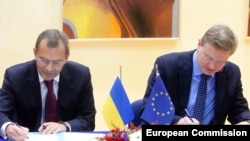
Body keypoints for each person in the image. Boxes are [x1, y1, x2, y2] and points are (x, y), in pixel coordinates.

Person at [141, 24, 250, 125]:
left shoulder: (232, 73)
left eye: (219, 62)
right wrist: (177, 121)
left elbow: (239, 110)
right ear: (199, 44)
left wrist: (245, 122)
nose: (212, 66)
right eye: (208, 58)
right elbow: (150, 109)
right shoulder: (167, 66)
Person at [0, 29, 96, 140]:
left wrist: (64, 126)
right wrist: (8, 127)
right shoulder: (15, 76)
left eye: (57, 62)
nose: (49, 68)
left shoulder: (80, 75)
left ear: (66, 58)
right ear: (35, 53)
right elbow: (1, 112)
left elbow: (88, 118)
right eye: (44, 60)